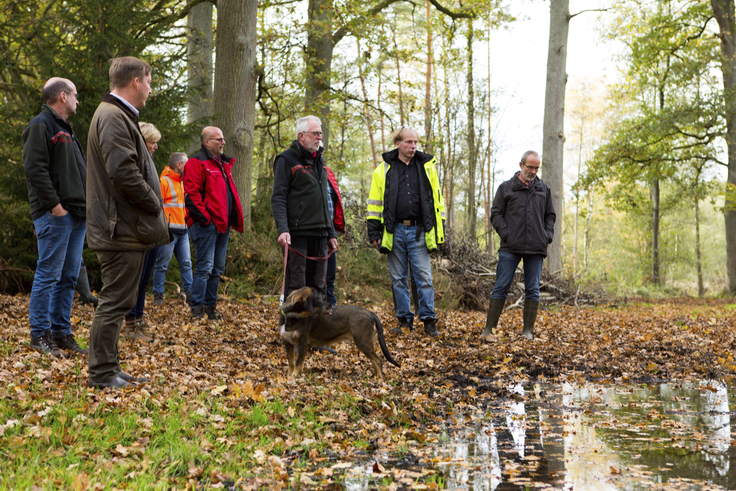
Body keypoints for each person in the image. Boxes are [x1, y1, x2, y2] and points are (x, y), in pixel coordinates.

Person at [86, 56, 171, 389]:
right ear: (136, 81)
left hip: (123, 227)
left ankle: (110, 367)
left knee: (118, 301)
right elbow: (122, 173)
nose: (150, 89)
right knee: (114, 302)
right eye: (149, 82)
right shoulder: (112, 116)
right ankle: (102, 374)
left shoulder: (117, 115)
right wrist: (155, 205)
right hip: (119, 228)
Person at [23, 77, 88, 358]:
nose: (77, 100)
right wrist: (55, 207)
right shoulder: (41, 124)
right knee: (49, 275)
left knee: (69, 277)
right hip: (56, 215)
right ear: (62, 96)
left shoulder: (66, 129)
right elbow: (35, 170)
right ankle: (39, 334)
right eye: (74, 94)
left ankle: (61, 332)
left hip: (77, 215)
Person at [367, 127, 445, 337]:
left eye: (415, 142)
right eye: (409, 142)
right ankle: (404, 322)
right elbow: (374, 203)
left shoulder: (427, 167)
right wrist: (374, 231)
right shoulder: (383, 169)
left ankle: (429, 321)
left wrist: (440, 229)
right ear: (398, 144)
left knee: (424, 278)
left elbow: (437, 201)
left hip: (420, 231)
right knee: (398, 279)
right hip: (394, 231)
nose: (413, 146)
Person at [482, 150, 556, 341]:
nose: (533, 171)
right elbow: (496, 214)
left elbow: (550, 216)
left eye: (536, 168)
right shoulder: (506, 188)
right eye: (530, 167)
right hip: (510, 247)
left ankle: (527, 332)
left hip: (536, 247)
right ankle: (489, 330)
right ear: (521, 165)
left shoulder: (543, 189)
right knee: (501, 286)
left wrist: (546, 236)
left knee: (533, 289)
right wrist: (506, 234)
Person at [271, 116, 338, 302]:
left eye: (320, 133)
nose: (319, 137)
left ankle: (315, 327)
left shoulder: (320, 161)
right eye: (315, 133)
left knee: (319, 285)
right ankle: (292, 327)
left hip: (321, 234)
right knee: (297, 286)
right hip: (297, 234)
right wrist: (283, 229)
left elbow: (324, 200)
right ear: (301, 136)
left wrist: (331, 232)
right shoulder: (286, 160)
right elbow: (278, 197)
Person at [184, 126, 244, 320]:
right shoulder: (197, 161)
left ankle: (210, 308)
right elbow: (191, 195)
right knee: (205, 268)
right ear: (207, 142)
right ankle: (197, 309)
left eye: (223, 138)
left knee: (217, 269)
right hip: (206, 225)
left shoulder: (221, 164)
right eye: (218, 139)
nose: (223, 142)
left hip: (222, 225)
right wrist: (206, 219)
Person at [123, 122, 163, 339]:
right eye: (152, 142)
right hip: (141, 227)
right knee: (136, 279)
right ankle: (131, 323)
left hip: (153, 226)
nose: (155, 147)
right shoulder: (137, 162)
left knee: (145, 279)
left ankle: (138, 320)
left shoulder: (151, 162)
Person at [151, 152, 192, 305]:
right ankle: (158, 296)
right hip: (168, 232)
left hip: (183, 231)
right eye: (186, 164)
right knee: (162, 264)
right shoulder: (164, 181)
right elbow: (157, 207)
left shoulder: (183, 182)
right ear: (179, 165)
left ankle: (191, 295)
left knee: (186, 264)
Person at [323, 166, 344, 306]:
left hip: (330, 233)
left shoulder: (327, 172)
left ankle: (331, 311)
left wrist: (333, 233)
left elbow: (334, 204)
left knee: (330, 276)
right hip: (312, 232)